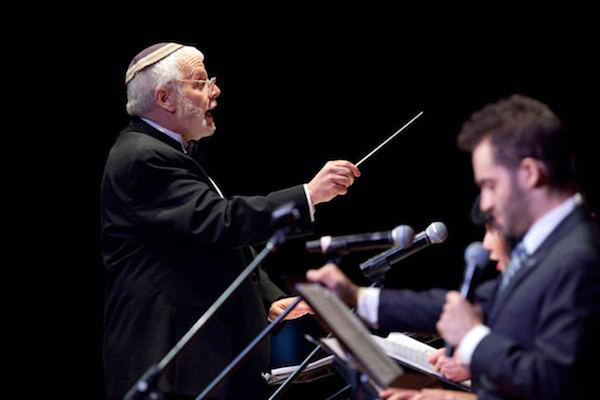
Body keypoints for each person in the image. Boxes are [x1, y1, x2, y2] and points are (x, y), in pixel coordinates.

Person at [101, 42, 360, 400]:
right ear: (165, 98)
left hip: (197, 364)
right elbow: (219, 222)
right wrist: (308, 195)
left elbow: (204, 244)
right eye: (201, 82)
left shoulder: (169, 151)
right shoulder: (144, 158)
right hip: (173, 365)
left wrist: (266, 296)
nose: (215, 90)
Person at [308, 95, 600, 399]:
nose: (485, 203)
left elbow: (555, 384)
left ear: (529, 173)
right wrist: (358, 297)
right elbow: (458, 307)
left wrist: (472, 339)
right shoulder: (547, 248)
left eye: (490, 185)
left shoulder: (582, 257)